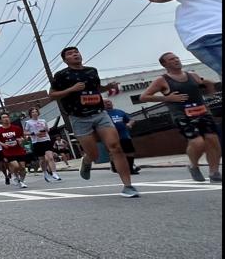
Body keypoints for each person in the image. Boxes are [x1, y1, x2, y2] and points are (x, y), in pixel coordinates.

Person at [48, 47, 139, 197]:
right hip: (79, 117)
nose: (75, 54)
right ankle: (87, 160)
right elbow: (52, 95)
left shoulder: (91, 71)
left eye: (76, 52)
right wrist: (72, 89)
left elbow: (96, 87)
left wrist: (107, 87)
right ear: (65, 60)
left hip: (99, 113)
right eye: (70, 54)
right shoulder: (61, 75)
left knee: (115, 147)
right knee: (94, 155)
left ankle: (128, 186)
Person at [140, 52, 221, 182]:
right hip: (182, 114)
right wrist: (167, 98)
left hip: (203, 112)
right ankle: (193, 165)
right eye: (172, 59)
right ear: (164, 64)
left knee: (213, 140)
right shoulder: (162, 80)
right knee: (198, 142)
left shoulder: (192, 76)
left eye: (177, 58)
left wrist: (210, 91)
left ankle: (214, 172)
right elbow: (143, 97)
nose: (176, 60)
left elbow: (208, 88)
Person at [24, 107, 62, 182]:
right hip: (36, 142)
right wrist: (34, 133)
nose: (35, 113)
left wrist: (46, 129)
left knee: (50, 157)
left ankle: (54, 173)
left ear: (38, 113)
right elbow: (25, 132)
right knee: (42, 160)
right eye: (33, 112)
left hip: (46, 140)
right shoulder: (28, 122)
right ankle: (45, 173)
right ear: (30, 114)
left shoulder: (43, 120)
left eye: (36, 112)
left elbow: (48, 130)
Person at [103, 100, 141, 176]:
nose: (108, 103)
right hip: (110, 136)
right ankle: (114, 166)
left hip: (124, 135)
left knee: (130, 152)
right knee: (115, 152)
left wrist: (129, 124)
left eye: (109, 102)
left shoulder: (120, 112)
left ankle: (130, 169)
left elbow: (131, 120)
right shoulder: (102, 114)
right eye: (105, 102)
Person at [0, 113, 29, 189]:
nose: (6, 119)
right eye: (3, 117)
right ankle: (14, 175)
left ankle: (21, 181)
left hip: (18, 150)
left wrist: (21, 140)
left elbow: (22, 137)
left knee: (22, 167)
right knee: (16, 166)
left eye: (7, 117)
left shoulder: (16, 128)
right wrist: (3, 144)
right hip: (8, 151)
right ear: (1, 120)